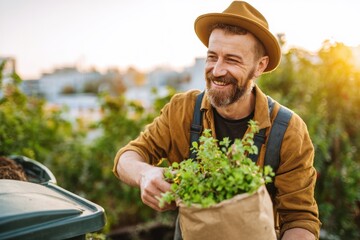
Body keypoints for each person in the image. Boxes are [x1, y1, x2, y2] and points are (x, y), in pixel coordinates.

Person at [113, 1, 321, 239]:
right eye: (212, 57)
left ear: (259, 66)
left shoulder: (288, 129)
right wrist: (144, 175)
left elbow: (300, 219)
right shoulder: (182, 110)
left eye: (232, 60)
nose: (217, 70)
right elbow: (127, 158)